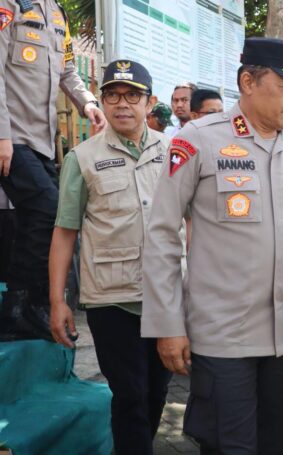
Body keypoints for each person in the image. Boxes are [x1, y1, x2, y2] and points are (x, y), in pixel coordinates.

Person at [141, 37, 283, 453]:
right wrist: (167, 324)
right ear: (248, 81)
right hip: (223, 339)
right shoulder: (197, 140)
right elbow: (161, 233)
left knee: (279, 444)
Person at [46, 60, 171, 454]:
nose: (122, 104)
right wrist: (57, 301)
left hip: (167, 294)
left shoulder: (176, 152)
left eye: (132, 95)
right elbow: (65, 231)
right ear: (101, 100)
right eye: (113, 95)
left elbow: (195, 222)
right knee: (130, 395)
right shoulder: (81, 158)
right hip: (111, 298)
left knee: (156, 393)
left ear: (148, 102)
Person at [0, 0, 107, 341]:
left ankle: (31, 305)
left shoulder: (59, 14)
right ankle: (17, 306)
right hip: (11, 136)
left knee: (57, 215)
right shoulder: (9, 5)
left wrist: (88, 102)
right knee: (46, 210)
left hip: (43, 140)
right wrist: (1, 135)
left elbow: (68, 70)